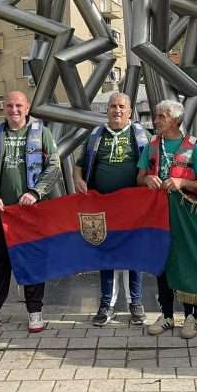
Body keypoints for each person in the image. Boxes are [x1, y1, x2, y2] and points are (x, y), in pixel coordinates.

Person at [0, 91, 62, 335]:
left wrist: (36, 192)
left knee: (32, 259)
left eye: (19, 105)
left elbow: (54, 166)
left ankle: (35, 310)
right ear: (3, 108)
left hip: (31, 211)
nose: (14, 110)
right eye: (9, 105)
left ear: (27, 107)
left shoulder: (41, 133)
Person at [73, 92, 151, 326]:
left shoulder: (142, 135)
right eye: (113, 106)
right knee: (105, 254)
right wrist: (78, 180)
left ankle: (135, 302)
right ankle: (107, 304)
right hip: (102, 206)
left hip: (133, 207)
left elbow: (155, 164)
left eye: (122, 107)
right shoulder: (95, 135)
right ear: (107, 110)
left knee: (134, 255)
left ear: (130, 112)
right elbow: (78, 165)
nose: (117, 110)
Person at [138, 99, 197, 338]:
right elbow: (139, 177)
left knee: (187, 265)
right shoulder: (151, 145)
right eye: (156, 115)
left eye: (162, 116)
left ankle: (191, 317)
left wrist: (182, 182)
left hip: (186, 217)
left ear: (176, 120)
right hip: (158, 216)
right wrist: (147, 179)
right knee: (162, 265)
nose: (156, 120)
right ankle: (166, 315)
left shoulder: (193, 147)